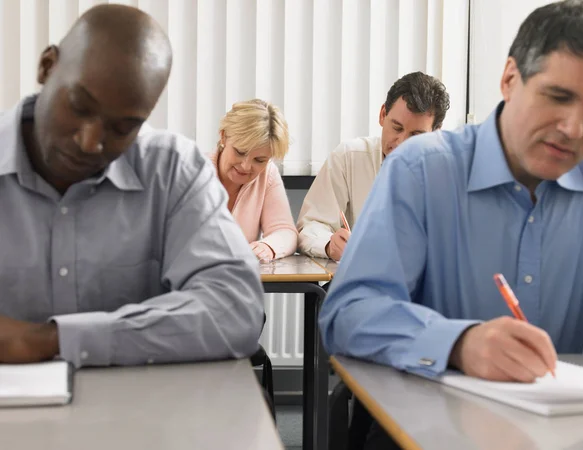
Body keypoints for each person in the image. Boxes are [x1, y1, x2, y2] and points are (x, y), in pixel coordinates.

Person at [320, 0, 583, 448]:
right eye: (559, 96)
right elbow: (347, 313)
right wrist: (459, 344)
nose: (574, 127)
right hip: (427, 431)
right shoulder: (420, 170)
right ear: (510, 78)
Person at [0, 4, 265, 368]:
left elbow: (237, 311)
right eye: (79, 105)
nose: (91, 142)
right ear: (47, 66)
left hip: (142, 414)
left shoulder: (173, 170)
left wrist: (49, 339)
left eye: (123, 127)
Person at [297, 72, 450, 260]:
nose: (401, 142)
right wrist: (329, 244)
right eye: (397, 128)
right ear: (382, 115)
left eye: (416, 135)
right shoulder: (349, 157)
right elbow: (311, 225)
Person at [211, 99, 297, 262]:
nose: (245, 166)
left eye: (259, 160)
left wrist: (268, 247)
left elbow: (285, 231)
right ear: (223, 137)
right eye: (240, 152)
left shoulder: (268, 174)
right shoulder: (192, 172)